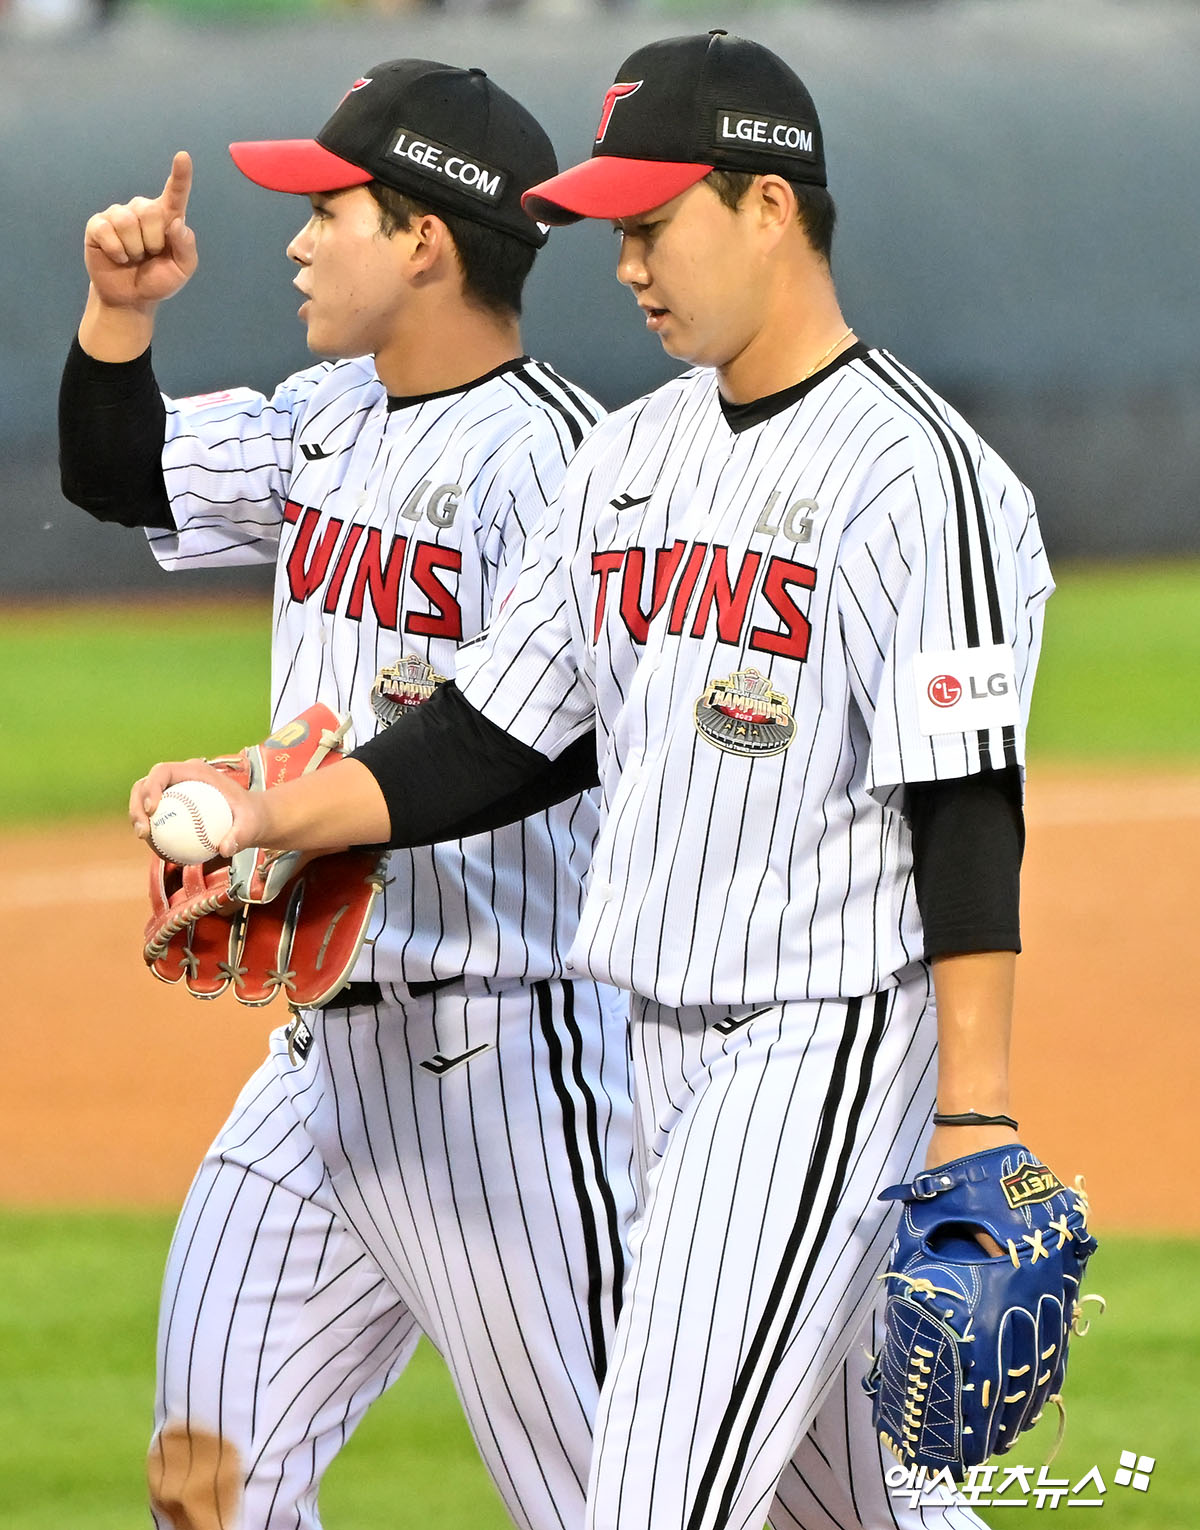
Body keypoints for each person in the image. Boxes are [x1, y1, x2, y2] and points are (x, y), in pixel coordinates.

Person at [128, 32, 1053, 1530]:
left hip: (817, 1046)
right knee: (855, 1507)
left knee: (643, 1503)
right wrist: (266, 813)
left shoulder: (921, 477)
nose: (625, 263)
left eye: (652, 220)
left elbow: (966, 803)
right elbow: (493, 731)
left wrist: (979, 1113)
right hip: (655, 1063)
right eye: (615, 227)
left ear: (769, 205)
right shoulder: (630, 460)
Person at [60, 59, 640, 1530]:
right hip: (320, 1064)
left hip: (511, 1062)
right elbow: (121, 472)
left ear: (428, 236)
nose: (299, 238)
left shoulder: (564, 467)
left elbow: (536, 741)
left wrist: (271, 799)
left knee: (632, 1499)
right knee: (210, 1481)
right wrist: (120, 321)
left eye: (331, 208)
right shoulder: (330, 414)